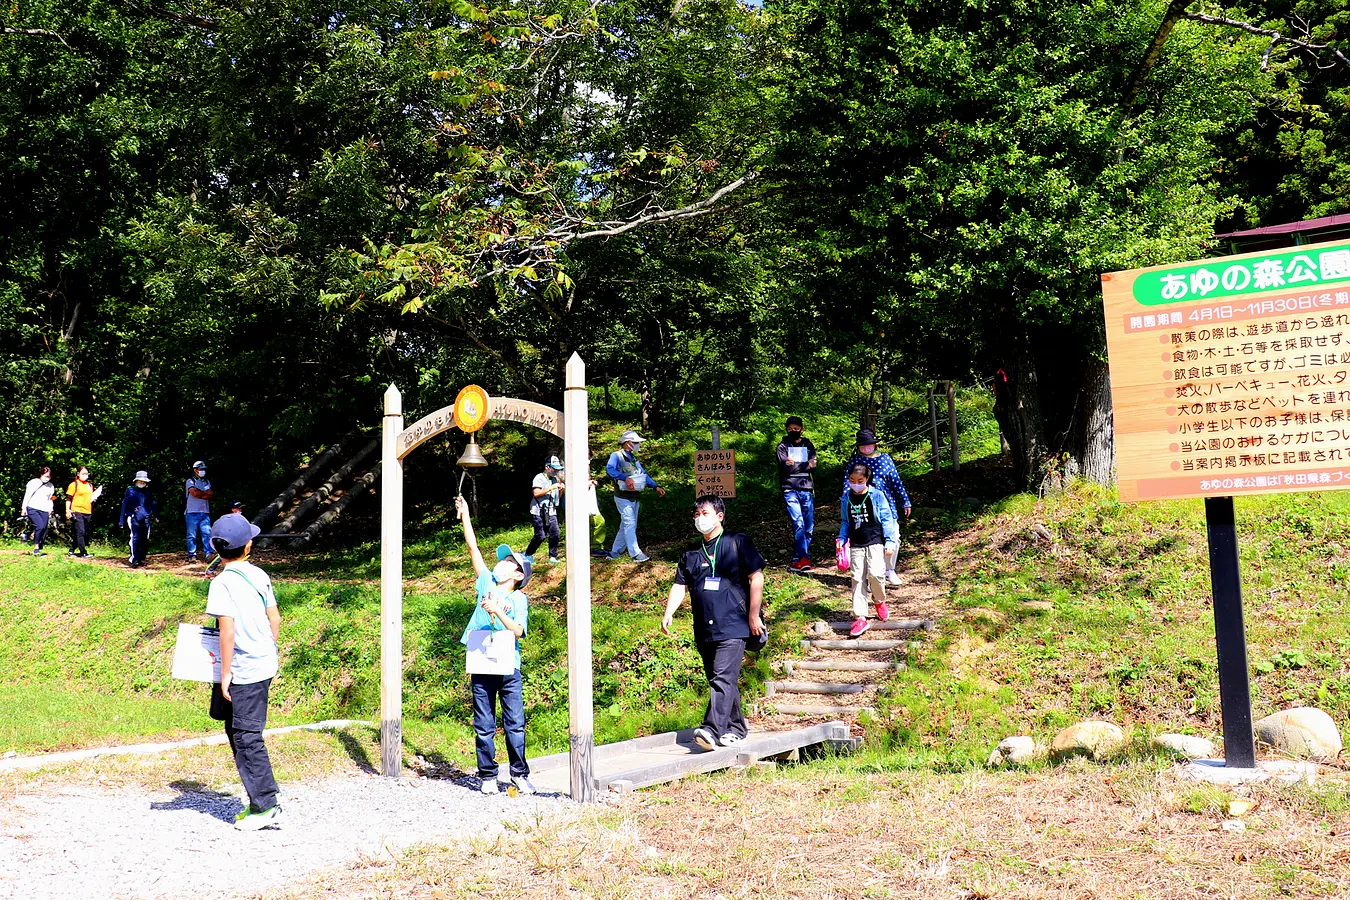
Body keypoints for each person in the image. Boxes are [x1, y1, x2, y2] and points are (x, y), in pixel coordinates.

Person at [661, 495, 765, 751]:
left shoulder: (737, 542)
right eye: (696, 514)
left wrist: (753, 615)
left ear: (720, 516)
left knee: (722, 678)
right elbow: (679, 585)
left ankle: (710, 729)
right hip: (705, 628)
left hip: (734, 624)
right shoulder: (691, 554)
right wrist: (669, 612)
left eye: (705, 513)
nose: (700, 519)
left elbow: (757, 578)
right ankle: (737, 728)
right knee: (721, 679)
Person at [455, 494, 536, 796]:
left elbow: (518, 631)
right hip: (481, 656)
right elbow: (473, 548)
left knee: (515, 722)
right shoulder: (486, 582)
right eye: (502, 559)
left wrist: (497, 611)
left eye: (508, 561)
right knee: (483, 722)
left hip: (508, 664)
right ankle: (487, 775)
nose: (500, 563)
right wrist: (465, 515)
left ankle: (519, 774)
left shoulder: (519, 599)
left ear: (518, 575)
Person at [206, 512, 283, 830]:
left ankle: (266, 805)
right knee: (235, 728)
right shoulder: (260, 575)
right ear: (248, 545)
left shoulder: (221, 583)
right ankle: (258, 802)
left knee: (247, 736)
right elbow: (274, 619)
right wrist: (268, 649)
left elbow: (227, 631)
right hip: (261, 664)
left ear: (216, 548)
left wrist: (225, 673)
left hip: (243, 670)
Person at [842, 428, 911, 585]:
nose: (866, 448)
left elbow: (896, 481)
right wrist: (846, 502)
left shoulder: (885, 459)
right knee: (867, 540)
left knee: (894, 537)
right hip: (862, 506)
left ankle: (889, 569)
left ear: (874, 444)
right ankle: (868, 576)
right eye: (863, 445)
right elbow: (848, 483)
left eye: (869, 444)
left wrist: (905, 500)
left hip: (887, 504)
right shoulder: (854, 461)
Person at [837, 463, 898, 637]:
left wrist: (890, 541)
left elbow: (886, 519)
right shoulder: (846, 497)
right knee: (857, 578)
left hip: (875, 541)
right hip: (856, 544)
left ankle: (879, 601)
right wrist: (842, 539)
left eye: (860, 480)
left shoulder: (877, 495)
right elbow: (845, 522)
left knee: (876, 574)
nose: (855, 483)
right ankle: (860, 617)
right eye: (852, 480)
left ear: (867, 480)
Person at [606, 431, 666, 562]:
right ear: (628, 443)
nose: (638, 445)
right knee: (630, 523)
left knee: (626, 525)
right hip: (622, 497)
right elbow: (610, 470)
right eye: (636, 442)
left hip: (635, 496)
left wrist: (655, 486)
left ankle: (614, 552)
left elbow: (643, 475)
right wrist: (625, 478)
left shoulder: (634, 459)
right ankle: (635, 554)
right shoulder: (616, 456)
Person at [776, 416, 818, 572]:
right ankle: (804, 558)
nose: (793, 430)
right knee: (798, 523)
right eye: (790, 428)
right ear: (786, 429)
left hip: (806, 488)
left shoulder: (808, 444)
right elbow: (785, 468)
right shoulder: (782, 446)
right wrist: (805, 465)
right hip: (789, 489)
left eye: (796, 428)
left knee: (809, 526)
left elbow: (814, 466)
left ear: (802, 429)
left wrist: (796, 465)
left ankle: (798, 559)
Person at [525, 456, 564, 564]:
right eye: (554, 468)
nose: (556, 471)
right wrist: (551, 488)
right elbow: (536, 493)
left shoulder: (555, 479)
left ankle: (553, 556)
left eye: (557, 469)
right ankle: (528, 554)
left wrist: (561, 489)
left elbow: (558, 497)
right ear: (547, 467)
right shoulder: (539, 477)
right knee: (540, 536)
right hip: (538, 511)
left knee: (555, 533)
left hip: (551, 511)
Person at [119, 471, 159, 568]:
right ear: (136, 481)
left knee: (145, 538)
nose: (142, 483)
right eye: (140, 481)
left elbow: (152, 503)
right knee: (135, 538)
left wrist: (157, 515)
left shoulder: (147, 491)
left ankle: (141, 558)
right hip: (133, 517)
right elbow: (124, 504)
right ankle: (134, 559)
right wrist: (121, 520)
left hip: (145, 517)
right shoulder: (130, 491)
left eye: (144, 481)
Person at [65, 466, 101, 558]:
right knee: (80, 531)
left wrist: (93, 499)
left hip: (87, 511)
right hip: (77, 510)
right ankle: (83, 552)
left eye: (86, 474)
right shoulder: (74, 484)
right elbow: (68, 498)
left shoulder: (89, 485)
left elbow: (89, 497)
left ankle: (71, 550)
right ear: (78, 474)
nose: (85, 475)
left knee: (82, 532)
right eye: (83, 473)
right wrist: (67, 510)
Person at [21, 466, 56, 557]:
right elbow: (27, 495)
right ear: (41, 474)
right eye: (45, 476)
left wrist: (50, 508)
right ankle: (36, 548)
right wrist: (24, 508)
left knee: (44, 528)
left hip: (44, 509)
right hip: (32, 507)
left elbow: (51, 498)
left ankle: (39, 543)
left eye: (48, 476)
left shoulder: (51, 486)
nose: (47, 478)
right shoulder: (33, 483)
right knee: (39, 526)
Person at [185, 460, 214, 563]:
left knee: (207, 533)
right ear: (195, 470)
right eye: (201, 469)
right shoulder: (190, 481)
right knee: (191, 535)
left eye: (203, 469)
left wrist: (201, 493)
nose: (203, 471)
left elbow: (210, 495)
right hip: (192, 512)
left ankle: (208, 554)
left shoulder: (206, 481)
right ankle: (191, 555)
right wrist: (204, 494)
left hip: (205, 512)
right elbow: (194, 493)